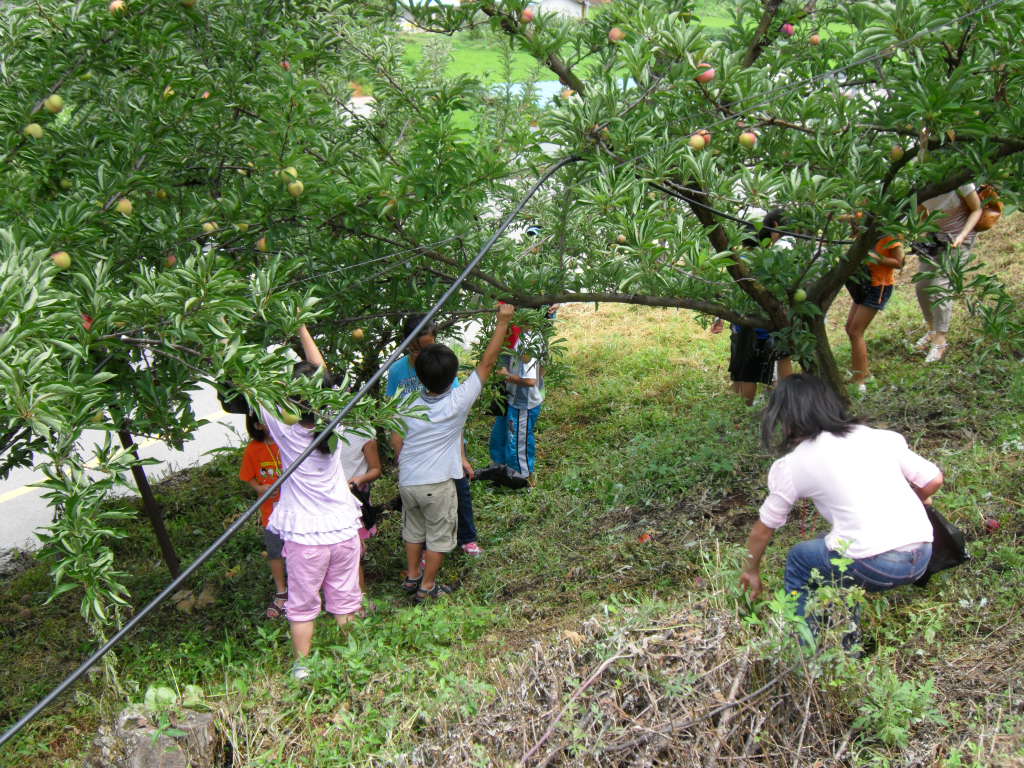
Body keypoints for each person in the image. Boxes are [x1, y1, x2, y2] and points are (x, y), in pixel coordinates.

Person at [739, 374, 941, 636]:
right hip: (923, 553)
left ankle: (804, 649)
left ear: (787, 417)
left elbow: (763, 529)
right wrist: (918, 499)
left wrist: (751, 570)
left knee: (801, 558)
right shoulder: (880, 437)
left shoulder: (793, 465)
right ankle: (845, 634)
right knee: (836, 549)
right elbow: (933, 480)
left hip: (875, 564)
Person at [391, 302, 514, 603]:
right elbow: (486, 364)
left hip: (408, 481)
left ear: (418, 376)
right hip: (437, 484)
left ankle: (411, 577)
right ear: (454, 376)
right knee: (438, 537)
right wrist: (503, 322)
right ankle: (428, 586)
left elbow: (395, 434)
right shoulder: (458, 401)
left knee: (414, 530)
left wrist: (400, 457)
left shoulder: (405, 402)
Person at [261, 325, 364, 679]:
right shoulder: (335, 419)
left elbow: (248, 382)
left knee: (303, 605)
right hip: (344, 529)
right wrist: (302, 328)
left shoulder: (285, 428)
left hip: (307, 538)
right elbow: (321, 374)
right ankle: (354, 657)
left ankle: (304, 666)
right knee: (345, 598)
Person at [387, 314, 484, 556]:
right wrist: (401, 454)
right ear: (408, 344)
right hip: (417, 449)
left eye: (430, 345)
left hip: (447, 443)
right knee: (422, 503)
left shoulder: (440, 362)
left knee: (460, 487)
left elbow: (456, 414)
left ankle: (467, 537)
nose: (425, 352)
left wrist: (461, 455)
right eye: (420, 347)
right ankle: (423, 550)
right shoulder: (398, 372)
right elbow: (393, 417)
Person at [725, 209, 792, 405]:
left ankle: (743, 410)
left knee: (746, 373)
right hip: (766, 324)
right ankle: (775, 402)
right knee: (752, 369)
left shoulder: (744, 262)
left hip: (749, 326)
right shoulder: (769, 258)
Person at [912, 182, 983, 363]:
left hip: (959, 239)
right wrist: (923, 235)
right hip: (936, 240)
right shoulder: (922, 185)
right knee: (922, 287)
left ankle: (941, 341)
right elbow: (921, 213)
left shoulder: (960, 182)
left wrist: (962, 235)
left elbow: (977, 210)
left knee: (940, 286)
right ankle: (932, 331)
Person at [238, 412, 285, 619]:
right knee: (275, 551)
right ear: (257, 425)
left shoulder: (287, 442)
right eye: (266, 419)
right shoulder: (253, 450)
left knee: (300, 549)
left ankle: (306, 587)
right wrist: (260, 488)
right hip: (271, 512)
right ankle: (282, 591)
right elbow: (248, 477)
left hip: (295, 508)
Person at [845, 235, 905, 391]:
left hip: (879, 285)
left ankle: (859, 381)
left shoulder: (889, 234)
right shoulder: (867, 225)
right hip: (864, 282)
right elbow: (846, 217)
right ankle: (864, 374)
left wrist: (876, 257)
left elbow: (900, 262)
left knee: (855, 331)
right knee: (850, 329)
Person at [338, 427, 382, 594]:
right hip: (326, 498)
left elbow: (375, 468)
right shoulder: (321, 425)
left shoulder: (364, 430)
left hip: (354, 499)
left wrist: (359, 479)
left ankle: (359, 597)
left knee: (354, 552)